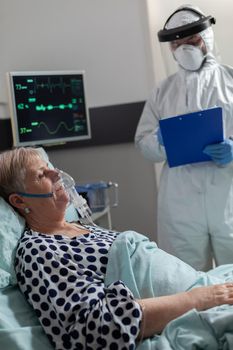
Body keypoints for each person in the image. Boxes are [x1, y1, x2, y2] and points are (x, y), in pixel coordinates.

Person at [1, 147, 233, 349]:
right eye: (42, 174)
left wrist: (207, 292)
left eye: (50, 166)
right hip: (195, 309)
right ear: (19, 201)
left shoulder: (79, 226)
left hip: (205, 290)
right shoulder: (37, 250)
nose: (56, 173)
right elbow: (96, 329)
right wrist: (200, 298)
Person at [135, 4, 233, 271]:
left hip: (228, 195)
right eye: (177, 43)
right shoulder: (162, 92)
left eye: (192, 40)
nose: (184, 49)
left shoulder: (231, 80)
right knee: (185, 279)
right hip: (180, 202)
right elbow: (143, 143)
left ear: (207, 38)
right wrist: (161, 140)